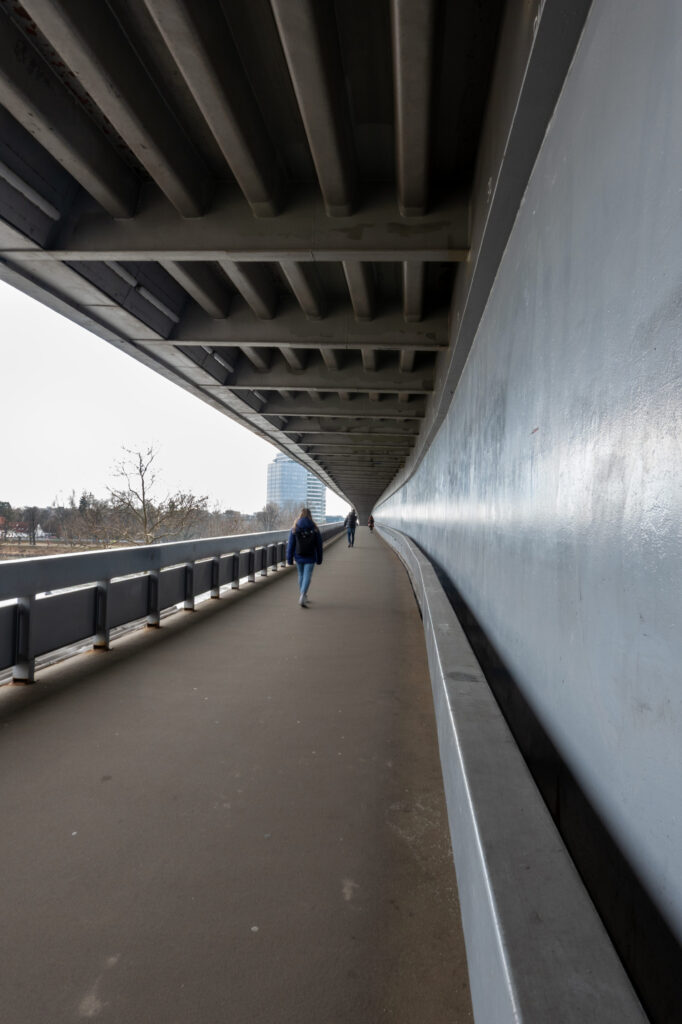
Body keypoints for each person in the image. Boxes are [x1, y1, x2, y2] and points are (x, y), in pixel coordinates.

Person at [287, 507, 323, 607]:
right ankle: (303, 595)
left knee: (301, 575)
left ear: (300, 515)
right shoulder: (315, 528)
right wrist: (319, 558)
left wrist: (289, 558)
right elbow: (319, 545)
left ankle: (303, 595)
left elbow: (291, 545)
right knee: (307, 575)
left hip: (298, 556)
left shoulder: (295, 528)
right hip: (311, 556)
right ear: (310, 516)